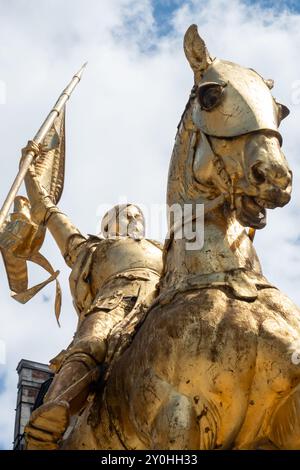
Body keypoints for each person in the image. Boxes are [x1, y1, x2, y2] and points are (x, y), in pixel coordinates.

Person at [24, 164, 163, 449]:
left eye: (139, 216)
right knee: (91, 342)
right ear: (108, 226)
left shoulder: (163, 248)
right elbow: (52, 215)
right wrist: (32, 179)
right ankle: (51, 414)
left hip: (162, 301)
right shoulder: (91, 249)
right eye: (127, 215)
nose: (135, 220)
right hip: (115, 300)